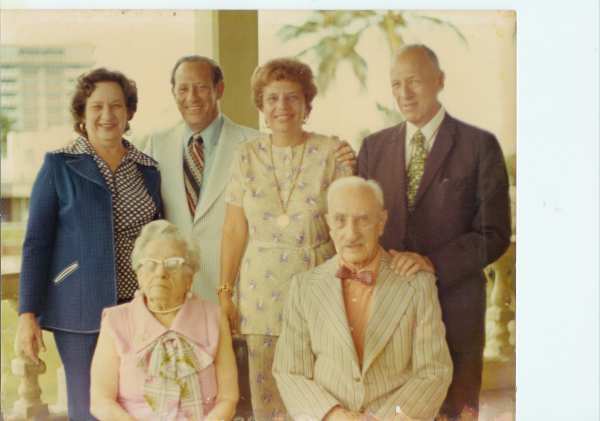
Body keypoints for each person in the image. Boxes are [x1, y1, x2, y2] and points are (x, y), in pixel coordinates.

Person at [357, 44, 511, 420]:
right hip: (389, 311)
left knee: (457, 411)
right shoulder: (373, 148)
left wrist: (431, 262)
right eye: (396, 84)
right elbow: (359, 225)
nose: (404, 93)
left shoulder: (479, 145)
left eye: (414, 81)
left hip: (455, 311)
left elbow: (494, 232)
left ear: (439, 81)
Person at [144, 55, 355, 302]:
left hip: (246, 291)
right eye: (183, 89)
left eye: (201, 87)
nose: (192, 97)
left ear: (219, 89)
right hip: (176, 288)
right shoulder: (156, 144)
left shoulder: (252, 144)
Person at [16, 68, 163, 421]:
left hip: (139, 308)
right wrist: (27, 314)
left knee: (139, 403)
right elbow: (36, 242)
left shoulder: (147, 168)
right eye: (97, 106)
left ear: (129, 112)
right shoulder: (59, 165)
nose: (107, 115)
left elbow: (159, 237)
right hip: (79, 308)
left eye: (116, 106)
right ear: (82, 114)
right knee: (89, 409)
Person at [218, 58, 353, 420]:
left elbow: (351, 221)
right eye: (272, 98)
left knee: (320, 392)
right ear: (261, 105)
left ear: (307, 104)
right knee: (267, 394)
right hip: (261, 292)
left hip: (319, 287)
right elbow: (233, 229)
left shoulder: (331, 151)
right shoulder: (245, 155)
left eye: (292, 97)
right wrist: (225, 294)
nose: (282, 107)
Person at [273, 176, 452, 420]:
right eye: (340, 220)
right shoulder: (303, 287)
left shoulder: (417, 285)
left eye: (363, 220)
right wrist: (334, 416)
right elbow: (290, 371)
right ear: (329, 224)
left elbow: (433, 371)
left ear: (381, 222)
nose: (351, 233)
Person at [90, 220, 238, 421]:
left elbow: (228, 398)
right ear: (139, 273)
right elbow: (101, 401)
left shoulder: (213, 317)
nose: (160, 273)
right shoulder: (115, 321)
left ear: (190, 277)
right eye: (151, 264)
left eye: (172, 264)